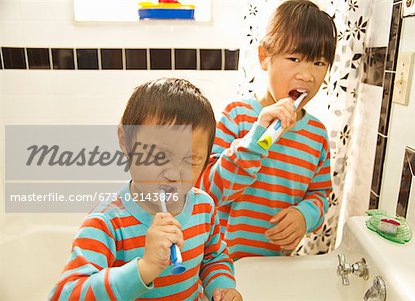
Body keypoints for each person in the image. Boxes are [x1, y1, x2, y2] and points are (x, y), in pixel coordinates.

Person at [49, 78, 242, 301]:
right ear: (125, 141)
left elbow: (214, 257)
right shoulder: (107, 222)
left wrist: (222, 287)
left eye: (190, 160)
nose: (173, 174)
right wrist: (144, 268)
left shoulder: (204, 207)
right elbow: (65, 295)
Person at [197, 0, 337, 260]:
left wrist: (305, 215)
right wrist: (256, 138)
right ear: (264, 57)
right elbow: (205, 191)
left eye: (318, 63)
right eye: (294, 59)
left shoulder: (317, 136)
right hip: (220, 266)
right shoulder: (237, 116)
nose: (307, 75)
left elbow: (321, 195)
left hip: (275, 267)